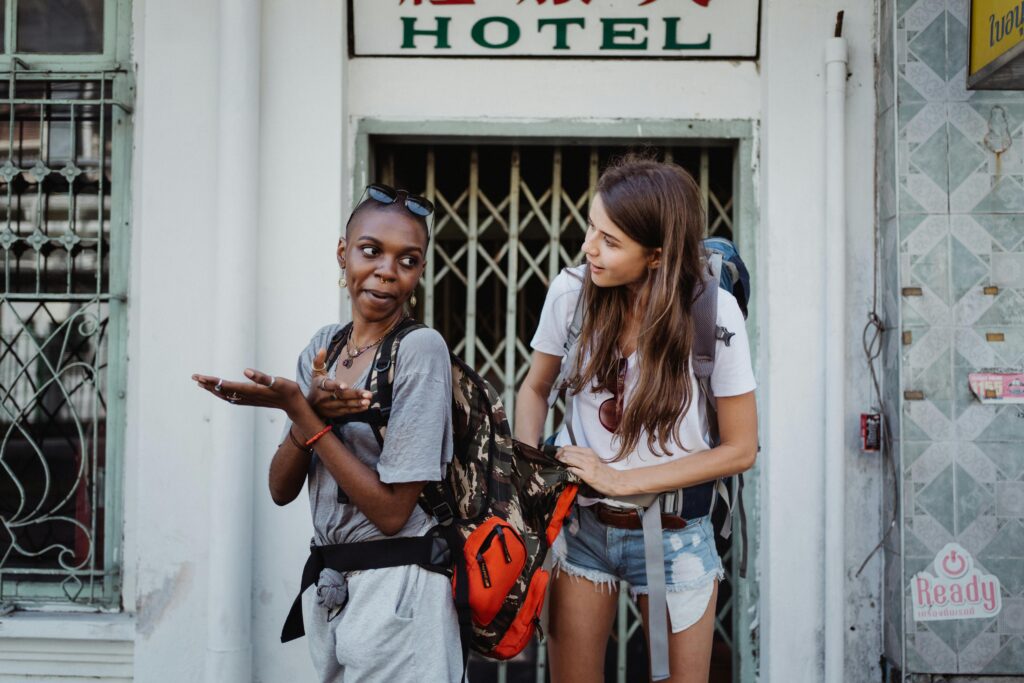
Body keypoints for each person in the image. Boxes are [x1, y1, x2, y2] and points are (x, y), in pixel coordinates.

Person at [192, 184, 463, 683]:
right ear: (343, 253)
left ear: (420, 272)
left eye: (408, 260)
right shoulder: (324, 346)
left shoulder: (420, 350)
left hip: (400, 593)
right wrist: (305, 415)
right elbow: (280, 489)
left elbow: (391, 512)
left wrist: (304, 413)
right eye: (370, 250)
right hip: (332, 590)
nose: (387, 270)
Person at [514, 158, 758, 683]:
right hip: (580, 526)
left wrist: (622, 478)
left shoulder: (712, 314)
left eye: (610, 241)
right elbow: (535, 388)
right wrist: (525, 475)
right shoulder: (570, 294)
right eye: (591, 229)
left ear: (657, 255)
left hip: (677, 531)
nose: (589, 248)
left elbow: (740, 450)